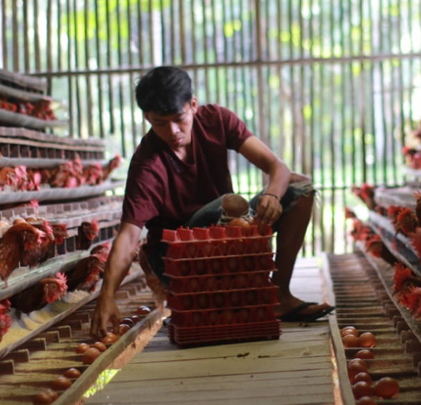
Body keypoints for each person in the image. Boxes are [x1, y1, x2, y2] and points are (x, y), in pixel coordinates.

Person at [90, 66, 334, 338]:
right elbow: (127, 237)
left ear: (193, 105)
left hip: (226, 233)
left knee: (300, 188)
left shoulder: (217, 120)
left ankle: (279, 294)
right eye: (160, 123)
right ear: (147, 117)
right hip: (177, 259)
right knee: (229, 206)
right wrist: (106, 295)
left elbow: (277, 167)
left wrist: (272, 196)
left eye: (179, 118)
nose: (173, 131)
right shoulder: (147, 165)